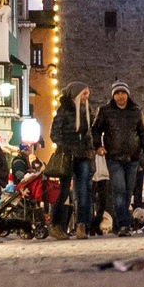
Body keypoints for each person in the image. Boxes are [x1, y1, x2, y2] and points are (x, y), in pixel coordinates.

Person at [96, 81, 144, 234]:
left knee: (128, 191)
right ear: (113, 95)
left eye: (123, 93)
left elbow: (142, 134)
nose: (120, 96)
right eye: (117, 93)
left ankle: (120, 223)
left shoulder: (136, 111)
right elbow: (96, 130)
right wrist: (98, 146)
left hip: (132, 158)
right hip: (114, 157)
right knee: (119, 190)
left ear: (127, 94)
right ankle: (125, 224)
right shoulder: (105, 111)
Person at [50, 87, 98, 236]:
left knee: (83, 190)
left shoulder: (87, 111)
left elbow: (88, 135)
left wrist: (91, 150)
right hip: (67, 155)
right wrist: (67, 146)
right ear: (76, 95)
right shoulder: (64, 111)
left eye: (88, 94)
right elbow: (54, 134)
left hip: (83, 156)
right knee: (63, 191)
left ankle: (81, 225)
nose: (86, 97)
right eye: (84, 93)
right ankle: (55, 224)